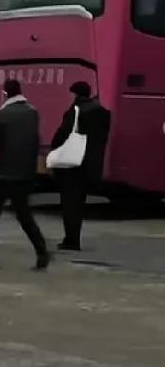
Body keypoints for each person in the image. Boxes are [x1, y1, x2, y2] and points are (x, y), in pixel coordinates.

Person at [0, 79, 50, 270]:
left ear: (5, 93)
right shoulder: (33, 112)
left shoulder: (3, 114)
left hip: (2, 173)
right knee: (24, 215)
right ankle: (42, 251)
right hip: (24, 174)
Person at [50, 81, 111, 251]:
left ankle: (71, 240)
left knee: (70, 203)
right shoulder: (103, 112)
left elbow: (62, 135)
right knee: (79, 203)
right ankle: (73, 237)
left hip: (73, 164)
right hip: (91, 164)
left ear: (76, 94)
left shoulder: (75, 111)